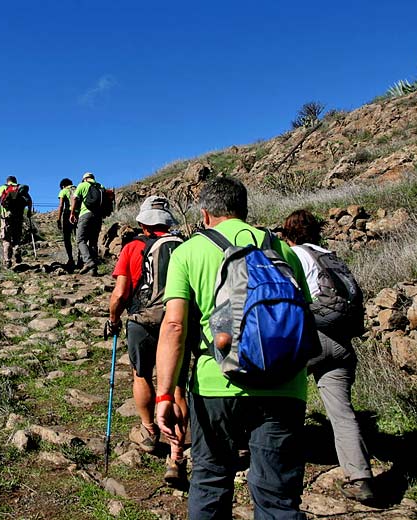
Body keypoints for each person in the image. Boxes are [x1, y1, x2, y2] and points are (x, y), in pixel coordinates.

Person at [155, 175, 311, 519]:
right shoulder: (282, 249)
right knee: (279, 498)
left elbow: (175, 326)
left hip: (217, 383)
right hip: (284, 383)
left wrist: (165, 394)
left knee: (210, 481)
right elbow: (303, 313)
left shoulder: (188, 251)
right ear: (243, 209)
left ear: (205, 212)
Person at [281, 209, 375, 503]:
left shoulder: (294, 255)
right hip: (342, 343)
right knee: (343, 412)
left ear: (289, 233)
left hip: (311, 339)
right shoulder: (331, 255)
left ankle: (271, 462)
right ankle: (361, 477)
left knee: (278, 396)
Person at [105, 196, 189, 487]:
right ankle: (176, 455)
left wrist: (114, 318)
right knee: (177, 385)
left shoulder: (131, 247)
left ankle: (150, 431)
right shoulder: (183, 246)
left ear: (142, 222)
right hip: (177, 321)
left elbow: (120, 293)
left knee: (141, 376)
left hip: (142, 320)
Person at [0, 175, 32, 268]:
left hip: (6, 217)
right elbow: (29, 200)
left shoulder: (2, 188)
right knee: (17, 236)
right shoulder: (20, 188)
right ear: (15, 181)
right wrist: (29, 211)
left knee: (6, 239)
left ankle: (7, 260)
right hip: (18, 216)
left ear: (7, 181)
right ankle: (17, 248)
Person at [69, 172, 103, 275]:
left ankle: (88, 262)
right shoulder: (100, 186)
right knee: (93, 242)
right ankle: (94, 269)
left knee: (80, 240)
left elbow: (74, 198)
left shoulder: (82, 185)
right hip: (98, 216)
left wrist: (72, 213)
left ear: (84, 179)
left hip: (85, 215)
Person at [56, 178, 81, 269]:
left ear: (63, 185)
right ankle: (80, 259)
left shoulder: (64, 190)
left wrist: (58, 219)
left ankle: (70, 259)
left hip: (68, 214)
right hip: (79, 214)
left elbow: (61, 205)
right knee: (79, 237)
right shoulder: (78, 189)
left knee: (67, 238)